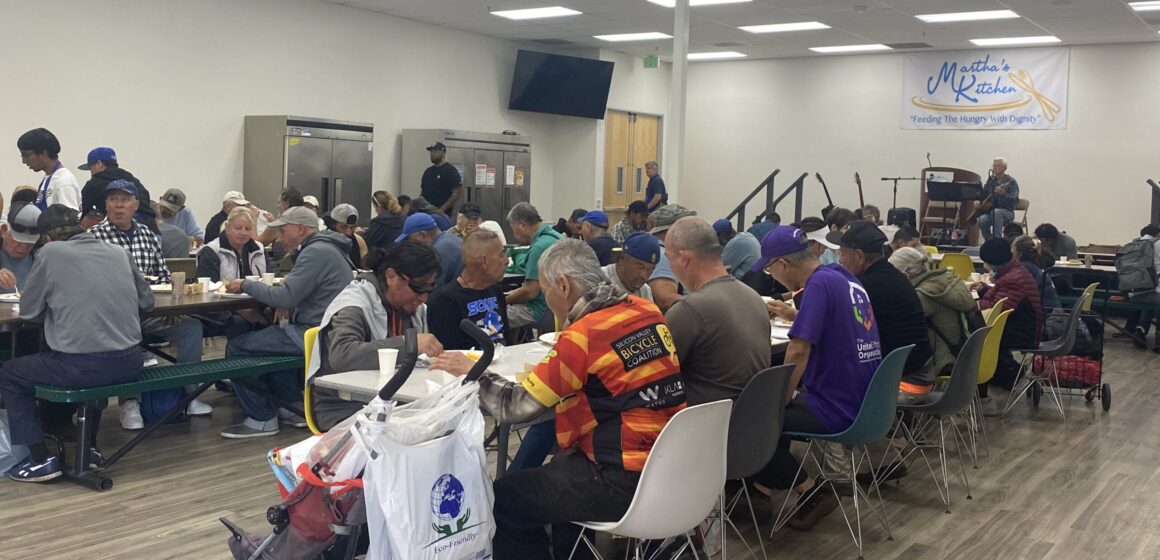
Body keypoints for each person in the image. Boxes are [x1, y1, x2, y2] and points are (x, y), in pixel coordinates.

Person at [429, 239, 686, 559]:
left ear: (563, 286)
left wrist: (474, 372)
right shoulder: (647, 311)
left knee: (506, 497)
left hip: (621, 476)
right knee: (561, 473)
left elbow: (514, 407)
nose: (544, 297)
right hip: (674, 465)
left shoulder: (583, 335)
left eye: (546, 289)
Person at [0, 206, 151, 482]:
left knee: (11, 373)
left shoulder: (50, 253)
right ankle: (90, 450)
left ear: (45, 238)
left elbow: (30, 311)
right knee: (90, 366)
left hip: (84, 366)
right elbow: (147, 303)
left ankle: (39, 459)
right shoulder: (118, 252)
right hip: (131, 361)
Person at [749, 226, 882, 531]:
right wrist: (794, 315)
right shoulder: (842, 277)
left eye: (770, 268)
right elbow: (838, 323)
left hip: (837, 408)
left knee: (757, 419)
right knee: (774, 412)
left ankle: (811, 491)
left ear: (783, 264)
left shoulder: (818, 286)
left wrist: (780, 399)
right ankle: (760, 491)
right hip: (867, 403)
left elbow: (798, 350)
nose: (772, 276)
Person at [220, 206, 354, 438]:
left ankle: (261, 418)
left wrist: (244, 284)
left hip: (314, 335)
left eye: (283, 231)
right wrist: (288, 297)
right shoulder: (330, 248)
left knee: (238, 347)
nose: (279, 238)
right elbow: (295, 293)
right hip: (329, 331)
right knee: (270, 340)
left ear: (301, 229)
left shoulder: (315, 252)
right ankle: (290, 407)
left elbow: (286, 296)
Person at [90, 180, 210, 425]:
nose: (119, 205)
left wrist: (170, 305)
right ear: (106, 205)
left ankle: (188, 394)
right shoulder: (93, 237)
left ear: (136, 205)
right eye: (113, 200)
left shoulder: (147, 234)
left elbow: (163, 276)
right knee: (128, 332)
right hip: (114, 318)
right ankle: (130, 401)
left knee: (190, 328)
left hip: (151, 311)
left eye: (125, 200)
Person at [308, 242, 444, 430]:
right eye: (418, 288)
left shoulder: (412, 307)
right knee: (423, 432)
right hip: (343, 407)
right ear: (391, 276)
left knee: (447, 419)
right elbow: (343, 355)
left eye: (429, 290)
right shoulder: (354, 304)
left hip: (391, 400)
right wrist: (408, 344)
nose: (424, 298)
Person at [665, 217, 769, 404]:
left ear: (683, 258)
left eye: (668, 258)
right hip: (753, 422)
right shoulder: (754, 298)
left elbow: (654, 373)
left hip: (705, 424)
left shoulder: (689, 311)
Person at [829, 221, 934, 404]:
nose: (840, 261)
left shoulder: (864, 288)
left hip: (902, 382)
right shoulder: (895, 277)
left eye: (843, 254)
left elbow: (834, 329)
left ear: (859, 257)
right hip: (920, 372)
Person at [973, 238, 1042, 415]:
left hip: (1022, 332)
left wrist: (970, 302)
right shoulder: (1015, 272)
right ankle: (1006, 374)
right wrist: (984, 289)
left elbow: (997, 309)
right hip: (1019, 325)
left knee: (974, 341)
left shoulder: (1012, 279)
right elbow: (1000, 300)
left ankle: (982, 397)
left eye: (985, 261)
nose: (984, 264)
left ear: (992, 261)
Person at [889, 247, 976, 377]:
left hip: (941, 361)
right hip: (964, 354)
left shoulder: (922, 295)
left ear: (905, 274)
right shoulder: (946, 280)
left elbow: (898, 324)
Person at [427, 229, 512, 355]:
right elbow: (447, 355)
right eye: (501, 255)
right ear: (484, 261)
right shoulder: (445, 301)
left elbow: (508, 340)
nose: (506, 261)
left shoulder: (494, 289)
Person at [196, 206, 267, 338]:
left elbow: (268, 280)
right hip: (222, 309)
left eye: (248, 229)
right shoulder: (211, 251)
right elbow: (208, 292)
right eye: (238, 228)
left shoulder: (260, 249)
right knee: (240, 324)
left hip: (258, 304)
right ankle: (239, 355)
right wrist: (241, 310)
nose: (243, 232)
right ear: (227, 228)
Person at [505, 202, 563, 328]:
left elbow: (530, 292)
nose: (513, 233)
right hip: (559, 308)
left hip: (539, 310)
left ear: (521, 225)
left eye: (512, 227)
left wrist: (501, 301)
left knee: (493, 316)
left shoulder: (538, 247)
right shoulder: (558, 237)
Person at [77, 146, 155, 231]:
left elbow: (81, 209)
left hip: (121, 231)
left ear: (99, 164)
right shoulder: (131, 178)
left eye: (91, 167)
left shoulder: (95, 183)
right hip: (151, 229)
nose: (91, 172)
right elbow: (145, 197)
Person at [17, 128, 81, 212]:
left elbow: (69, 220)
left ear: (44, 152)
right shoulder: (49, 177)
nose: (24, 161)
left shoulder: (63, 182)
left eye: (26, 155)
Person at [647, 204, 696, 312]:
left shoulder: (659, 250)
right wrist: (704, 307)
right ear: (671, 231)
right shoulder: (663, 256)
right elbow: (665, 299)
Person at [395, 212, 462, 288]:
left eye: (409, 239)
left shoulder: (438, 251)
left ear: (422, 235)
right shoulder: (450, 239)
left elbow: (433, 289)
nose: (410, 244)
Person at [1124, 225, 1160, 351]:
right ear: (1158, 234)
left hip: (1131, 294)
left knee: (1152, 298)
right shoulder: (1157, 245)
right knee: (1156, 298)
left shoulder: (1134, 244)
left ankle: (1141, 329)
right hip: (1151, 293)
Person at [602, 232, 658, 300]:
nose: (644, 275)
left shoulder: (645, 290)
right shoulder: (599, 279)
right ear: (621, 259)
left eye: (650, 270)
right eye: (640, 267)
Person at [976, 157, 1020, 242]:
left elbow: (1014, 201)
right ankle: (990, 242)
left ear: (1004, 168)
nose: (994, 168)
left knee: (997, 212)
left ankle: (998, 241)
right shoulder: (991, 181)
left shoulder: (1011, 182)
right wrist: (978, 201)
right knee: (982, 219)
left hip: (1007, 213)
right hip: (991, 213)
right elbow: (983, 195)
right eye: (993, 165)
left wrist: (1004, 194)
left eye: (997, 166)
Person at [0, 202, 41, 294]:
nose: (23, 248)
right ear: (4, 230)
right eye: (17, 241)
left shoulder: (41, 256)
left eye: (30, 243)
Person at [1013, 235, 1061, 310]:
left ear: (1019, 253)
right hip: (1053, 312)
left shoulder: (1024, 268)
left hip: (1045, 316)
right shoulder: (1034, 266)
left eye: (1012, 249)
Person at [421, 142, 462, 214]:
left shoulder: (450, 171)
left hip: (442, 214)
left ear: (443, 154)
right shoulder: (428, 171)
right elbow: (422, 192)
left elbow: (456, 193)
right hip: (426, 212)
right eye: (431, 151)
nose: (432, 153)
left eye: (435, 151)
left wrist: (441, 210)